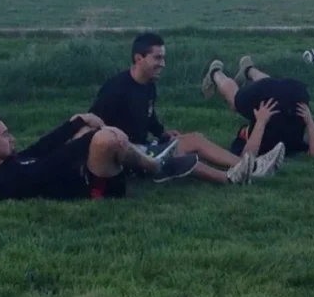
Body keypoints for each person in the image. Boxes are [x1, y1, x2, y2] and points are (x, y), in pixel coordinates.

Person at [90, 33, 283, 186]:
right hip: (129, 156)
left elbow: (148, 116)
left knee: (194, 139)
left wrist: (161, 133)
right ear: (138, 58)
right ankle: (231, 178)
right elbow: (95, 127)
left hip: (146, 146)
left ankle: (251, 166)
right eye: (157, 58)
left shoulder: (148, 85)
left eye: (163, 58)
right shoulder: (115, 89)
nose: (163, 64)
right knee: (181, 156)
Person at [0, 112, 198, 201]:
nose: (12, 138)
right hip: (92, 188)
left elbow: (40, 149)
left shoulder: (9, 163)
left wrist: (77, 121)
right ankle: (157, 166)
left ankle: (142, 155)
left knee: (91, 131)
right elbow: (51, 162)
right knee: (104, 139)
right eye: (5, 135)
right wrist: (89, 139)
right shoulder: (5, 182)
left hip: (85, 171)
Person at [201, 56, 314, 158]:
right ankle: (230, 71)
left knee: (258, 93)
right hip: (293, 93)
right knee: (246, 97)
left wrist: (261, 122)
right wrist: (309, 121)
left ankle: (232, 71)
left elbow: (248, 155)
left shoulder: (292, 145)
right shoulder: (290, 146)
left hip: (294, 92)